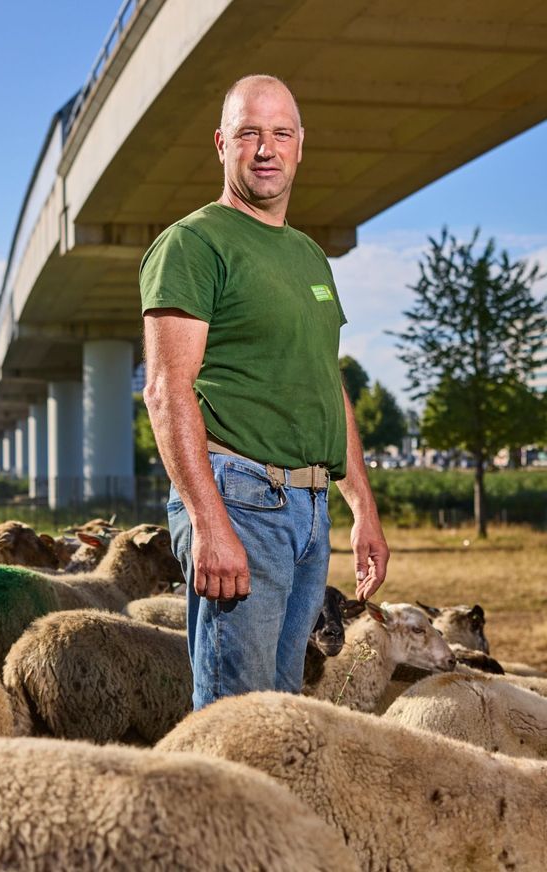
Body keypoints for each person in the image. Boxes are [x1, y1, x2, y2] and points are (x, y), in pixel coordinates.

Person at [139, 74, 389, 710]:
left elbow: (324, 383)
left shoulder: (308, 256)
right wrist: (209, 523)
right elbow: (167, 391)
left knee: (283, 714)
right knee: (237, 717)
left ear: (300, 147)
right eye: (250, 133)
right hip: (241, 502)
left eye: (281, 133)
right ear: (223, 144)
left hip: (307, 511)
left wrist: (362, 506)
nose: (266, 149)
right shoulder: (193, 244)